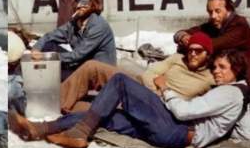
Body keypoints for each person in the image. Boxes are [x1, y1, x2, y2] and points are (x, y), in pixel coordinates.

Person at [9, 49, 250, 148]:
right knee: (109, 115)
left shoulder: (228, 93)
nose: (217, 71)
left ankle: (78, 134)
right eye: (217, 67)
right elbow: (247, 133)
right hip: (173, 132)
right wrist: (222, 133)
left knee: (120, 82)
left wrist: (165, 90)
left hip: (177, 129)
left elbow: (185, 112)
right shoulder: (240, 96)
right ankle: (41, 128)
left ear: (237, 72)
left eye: (223, 68)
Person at [61, 32, 215, 114]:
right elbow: (150, 73)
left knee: (96, 108)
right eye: (191, 50)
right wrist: (157, 90)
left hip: (152, 105)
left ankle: (64, 108)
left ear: (208, 54)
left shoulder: (210, 79)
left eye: (199, 51)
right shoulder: (177, 59)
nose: (193, 54)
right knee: (92, 67)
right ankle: (56, 104)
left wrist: (162, 92)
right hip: (140, 83)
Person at [173, 0, 250, 97]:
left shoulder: (240, 26)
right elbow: (181, 33)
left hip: (246, 85)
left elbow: (213, 45)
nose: (213, 16)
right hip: (224, 79)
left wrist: (190, 44)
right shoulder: (214, 25)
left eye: (218, 11)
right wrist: (183, 37)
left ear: (229, 11)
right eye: (210, 12)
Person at [31, 0, 116, 81]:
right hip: (81, 65)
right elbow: (49, 36)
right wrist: (36, 49)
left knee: (53, 76)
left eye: (84, 2)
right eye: (77, 1)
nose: (79, 6)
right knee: (48, 45)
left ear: (93, 4)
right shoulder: (74, 23)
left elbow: (78, 54)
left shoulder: (98, 25)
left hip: (97, 72)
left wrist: (48, 57)